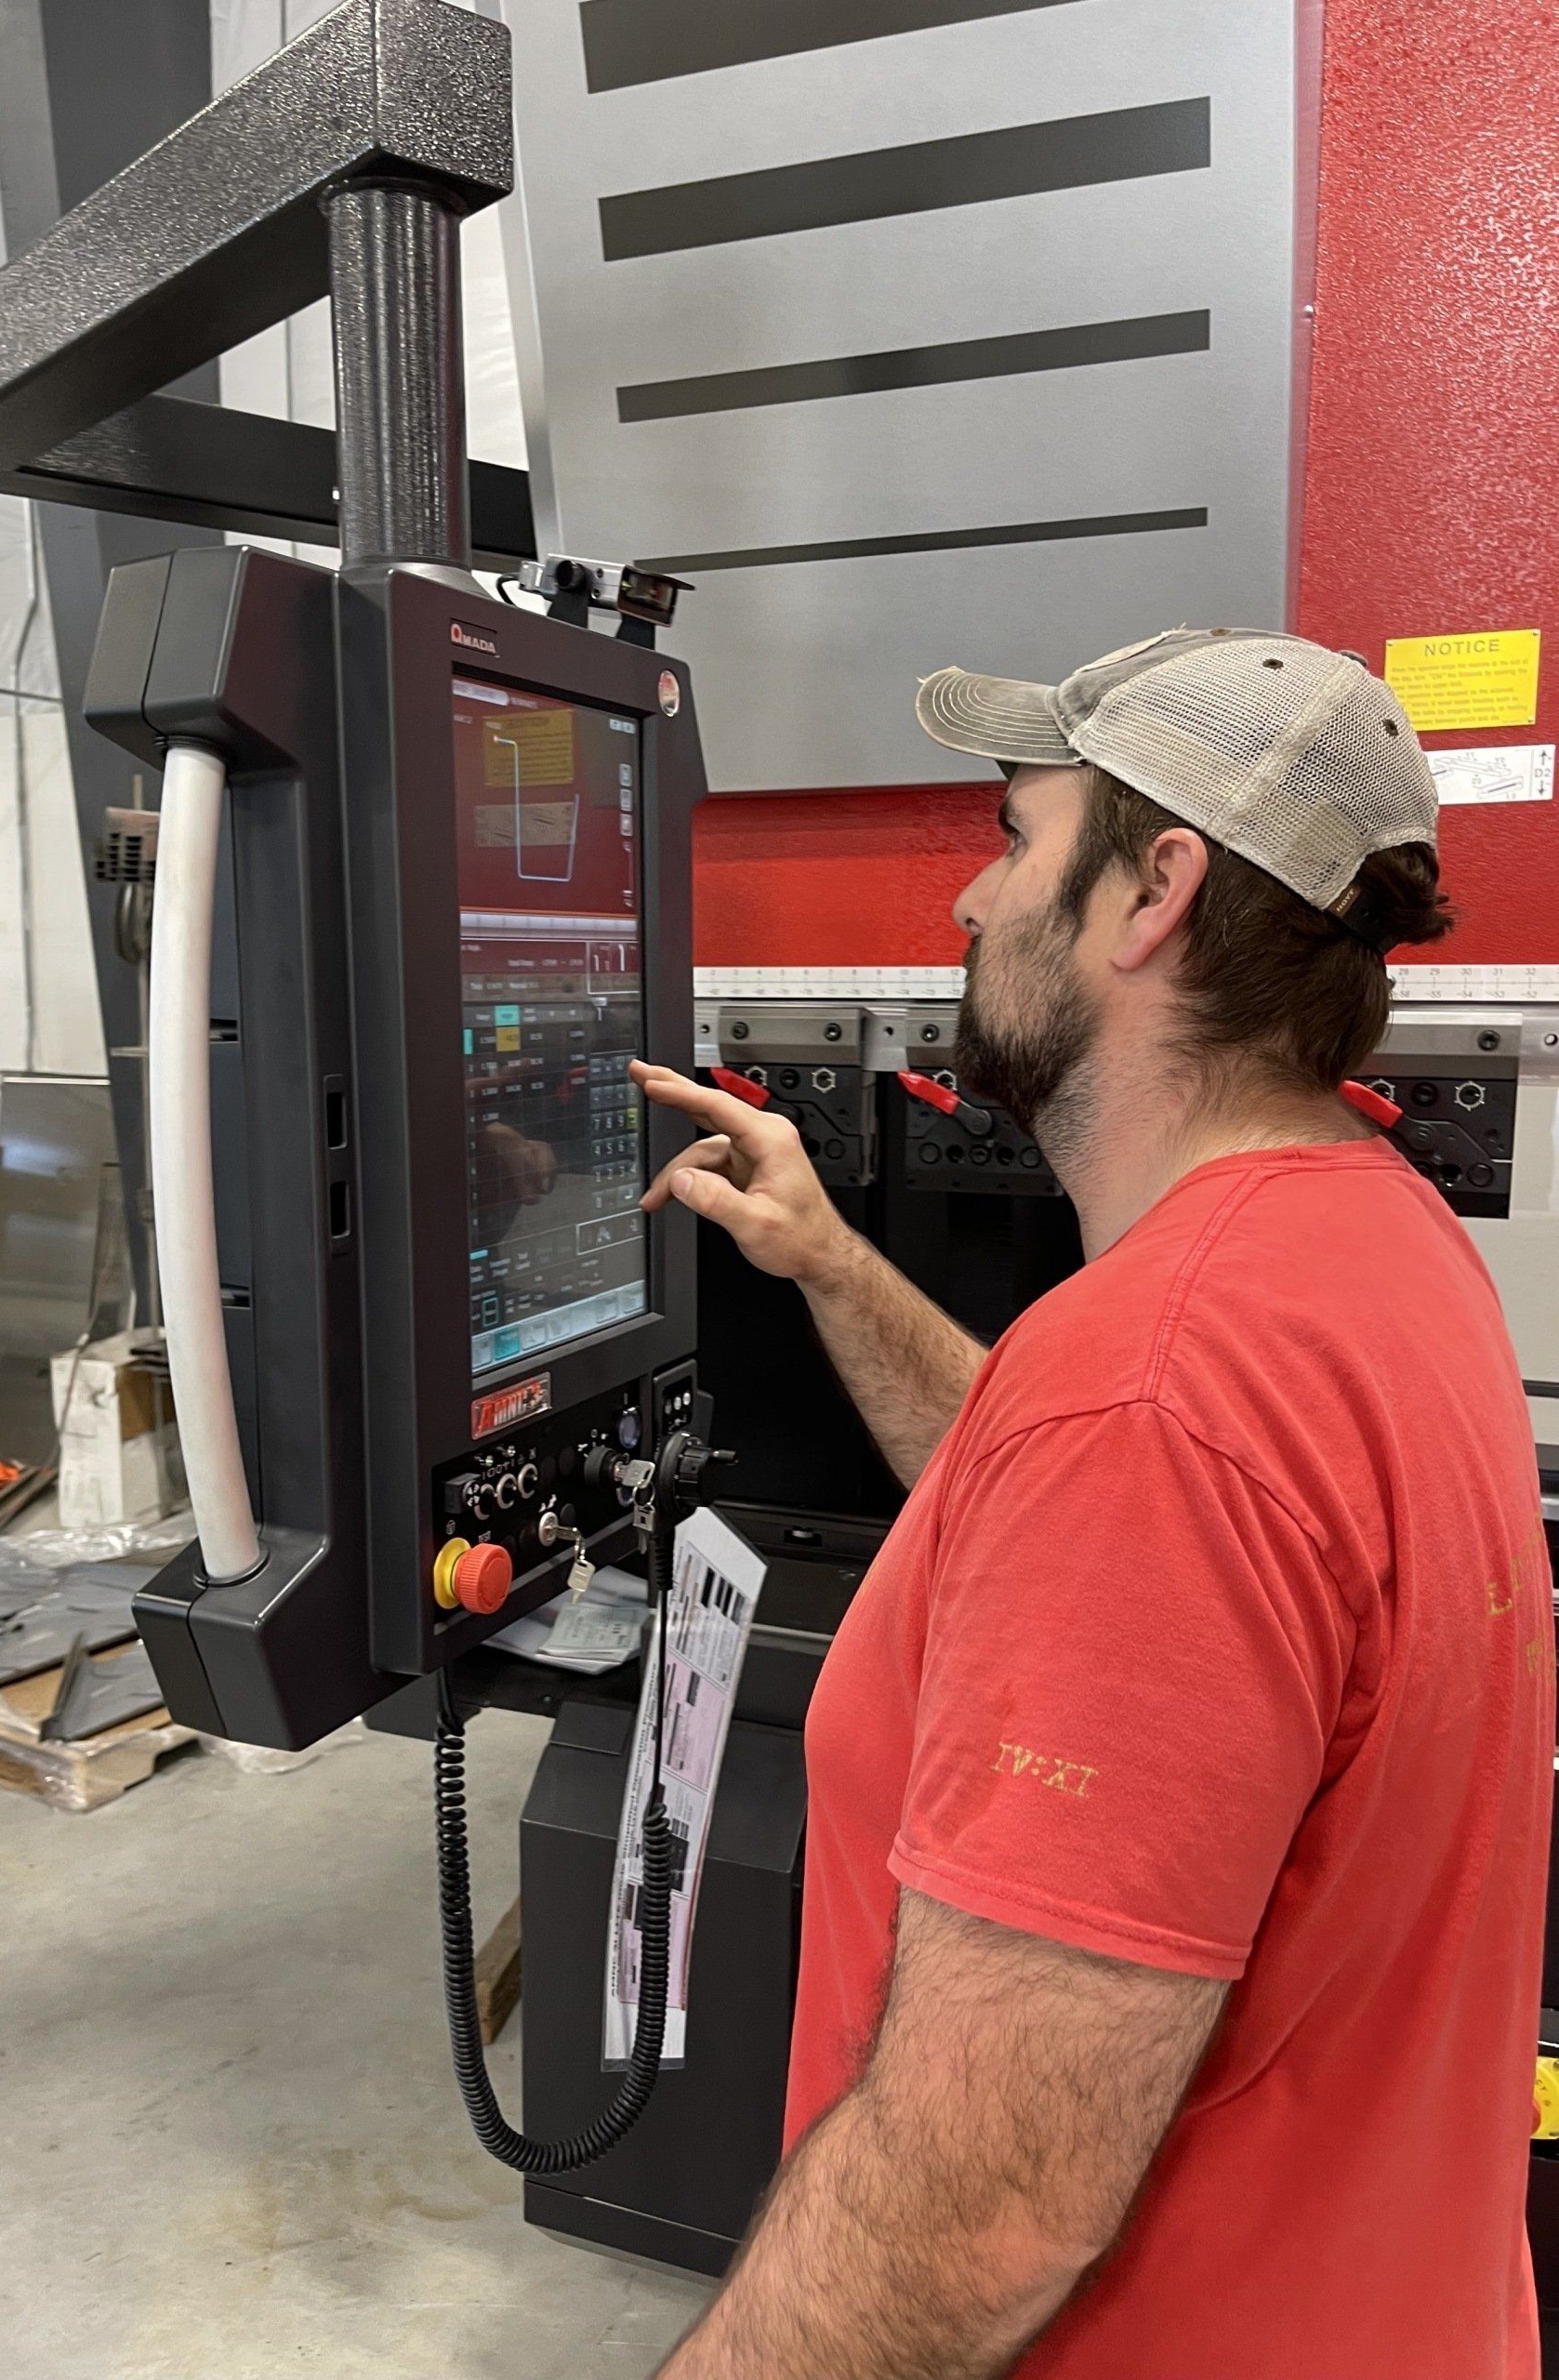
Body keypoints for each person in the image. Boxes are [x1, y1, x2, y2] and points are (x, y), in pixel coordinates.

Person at [630, 629, 1552, 2379]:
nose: (973, 905)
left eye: (1012, 837)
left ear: (1154, 893)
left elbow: (979, 2207)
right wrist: (831, 1265)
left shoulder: (1155, 1395)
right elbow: (1098, 1520)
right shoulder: (1368, 1238)